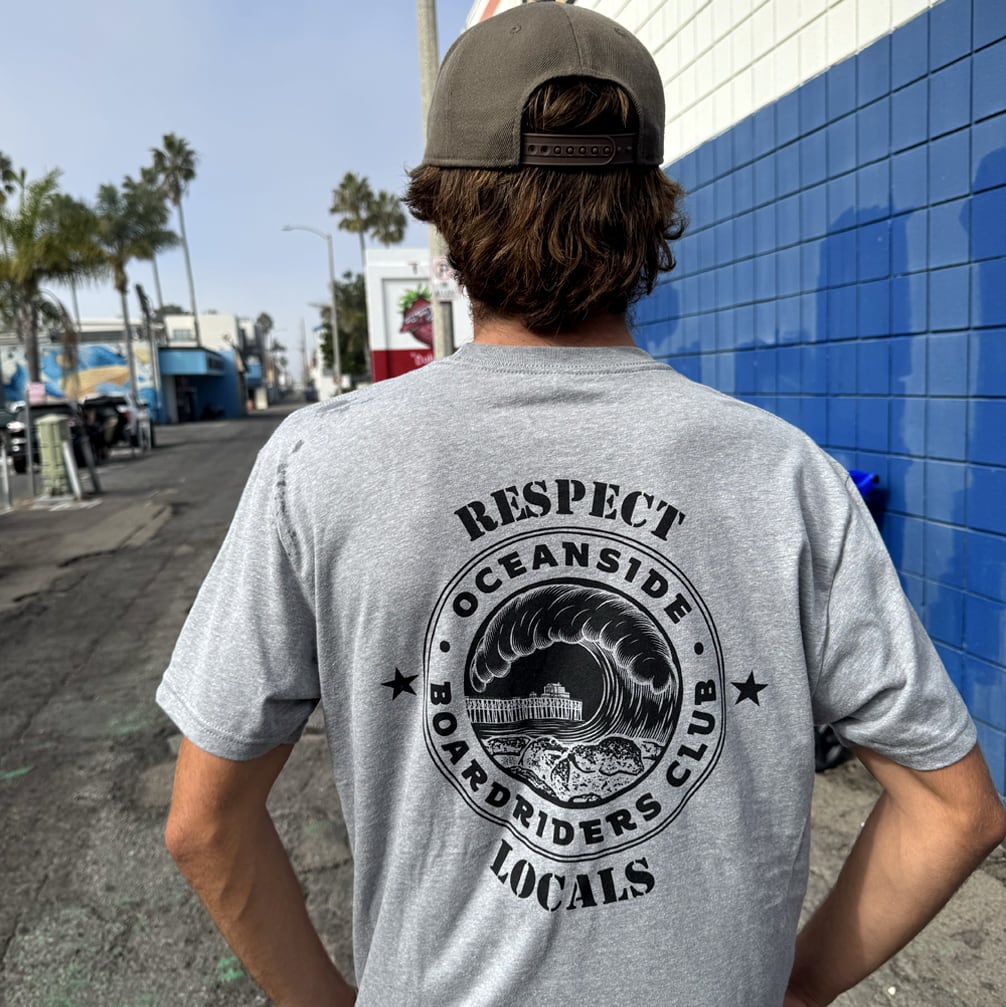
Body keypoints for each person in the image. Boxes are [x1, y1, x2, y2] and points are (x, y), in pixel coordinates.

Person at [157, 4, 1006, 1005]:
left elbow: (205, 825)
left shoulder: (320, 465)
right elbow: (954, 809)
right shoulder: (786, 475)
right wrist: (795, 984)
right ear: (651, 209)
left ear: (444, 211)